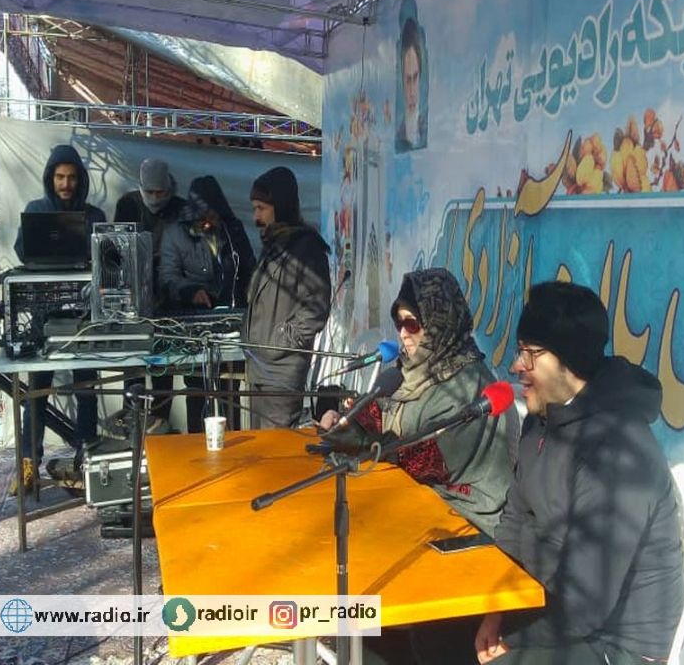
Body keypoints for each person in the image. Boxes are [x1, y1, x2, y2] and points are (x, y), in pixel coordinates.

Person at [475, 282, 684, 665]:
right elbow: (515, 519)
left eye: (530, 353)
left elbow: (585, 605)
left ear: (568, 360)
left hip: (614, 646)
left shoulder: (618, 451)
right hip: (547, 611)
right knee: (421, 629)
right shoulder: (543, 420)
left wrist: (511, 638)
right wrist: (494, 611)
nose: (517, 366)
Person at [319, 268, 515, 534]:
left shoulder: (468, 385)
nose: (403, 333)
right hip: (416, 501)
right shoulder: (410, 370)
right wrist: (346, 423)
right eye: (398, 323)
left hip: (465, 520)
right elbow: (375, 416)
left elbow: (426, 463)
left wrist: (362, 443)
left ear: (438, 323)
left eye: (411, 324)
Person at [12, 144, 107, 494]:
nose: (66, 184)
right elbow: (21, 249)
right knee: (36, 393)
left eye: (71, 177)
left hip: (84, 315)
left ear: (80, 179)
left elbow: (106, 256)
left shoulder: (94, 215)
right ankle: (28, 464)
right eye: (60, 177)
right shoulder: (36, 210)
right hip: (44, 315)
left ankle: (86, 460)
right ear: (50, 179)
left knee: (86, 390)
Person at [159, 175, 256, 432]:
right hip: (193, 324)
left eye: (212, 216)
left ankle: (232, 441)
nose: (207, 223)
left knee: (230, 388)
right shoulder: (175, 233)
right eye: (202, 217)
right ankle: (197, 441)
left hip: (230, 320)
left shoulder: (232, 230)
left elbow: (249, 266)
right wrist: (190, 291)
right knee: (197, 388)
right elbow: (168, 277)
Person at [244, 166, 331, 429]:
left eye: (261, 208)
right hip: (259, 365)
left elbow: (316, 309)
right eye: (254, 208)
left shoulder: (306, 247)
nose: (256, 216)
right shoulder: (275, 243)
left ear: (280, 206)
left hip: (281, 370)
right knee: (259, 445)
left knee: (276, 447)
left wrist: (281, 340)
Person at [113, 158, 186, 427]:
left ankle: (160, 431)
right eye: (150, 192)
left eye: (160, 193)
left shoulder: (180, 210)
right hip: (132, 302)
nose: (155, 198)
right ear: (141, 187)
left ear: (170, 188)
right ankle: (132, 432)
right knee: (132, 373)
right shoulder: (128, 205)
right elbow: (115, 249)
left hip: (169, 303)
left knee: (162, 373)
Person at [395, 17, 427, 152]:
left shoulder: (425, 126)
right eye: (408, 80)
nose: (412, 92)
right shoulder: (399, 134)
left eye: (415, 78)